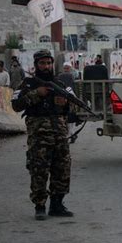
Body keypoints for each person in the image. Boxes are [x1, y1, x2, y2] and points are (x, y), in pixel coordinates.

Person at [11, 49, 74, 220]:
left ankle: (57, 204)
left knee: (62, 169)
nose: (46, 66)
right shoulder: (28, 84)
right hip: (39, 137)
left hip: (60, 136)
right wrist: (36, 94)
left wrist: (66, 103)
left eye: (48, 63)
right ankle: (40, 206)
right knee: (38, 169)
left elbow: (73, 109)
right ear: (36, 65)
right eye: (42, 63)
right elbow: (16, 105)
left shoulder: (60, 84)